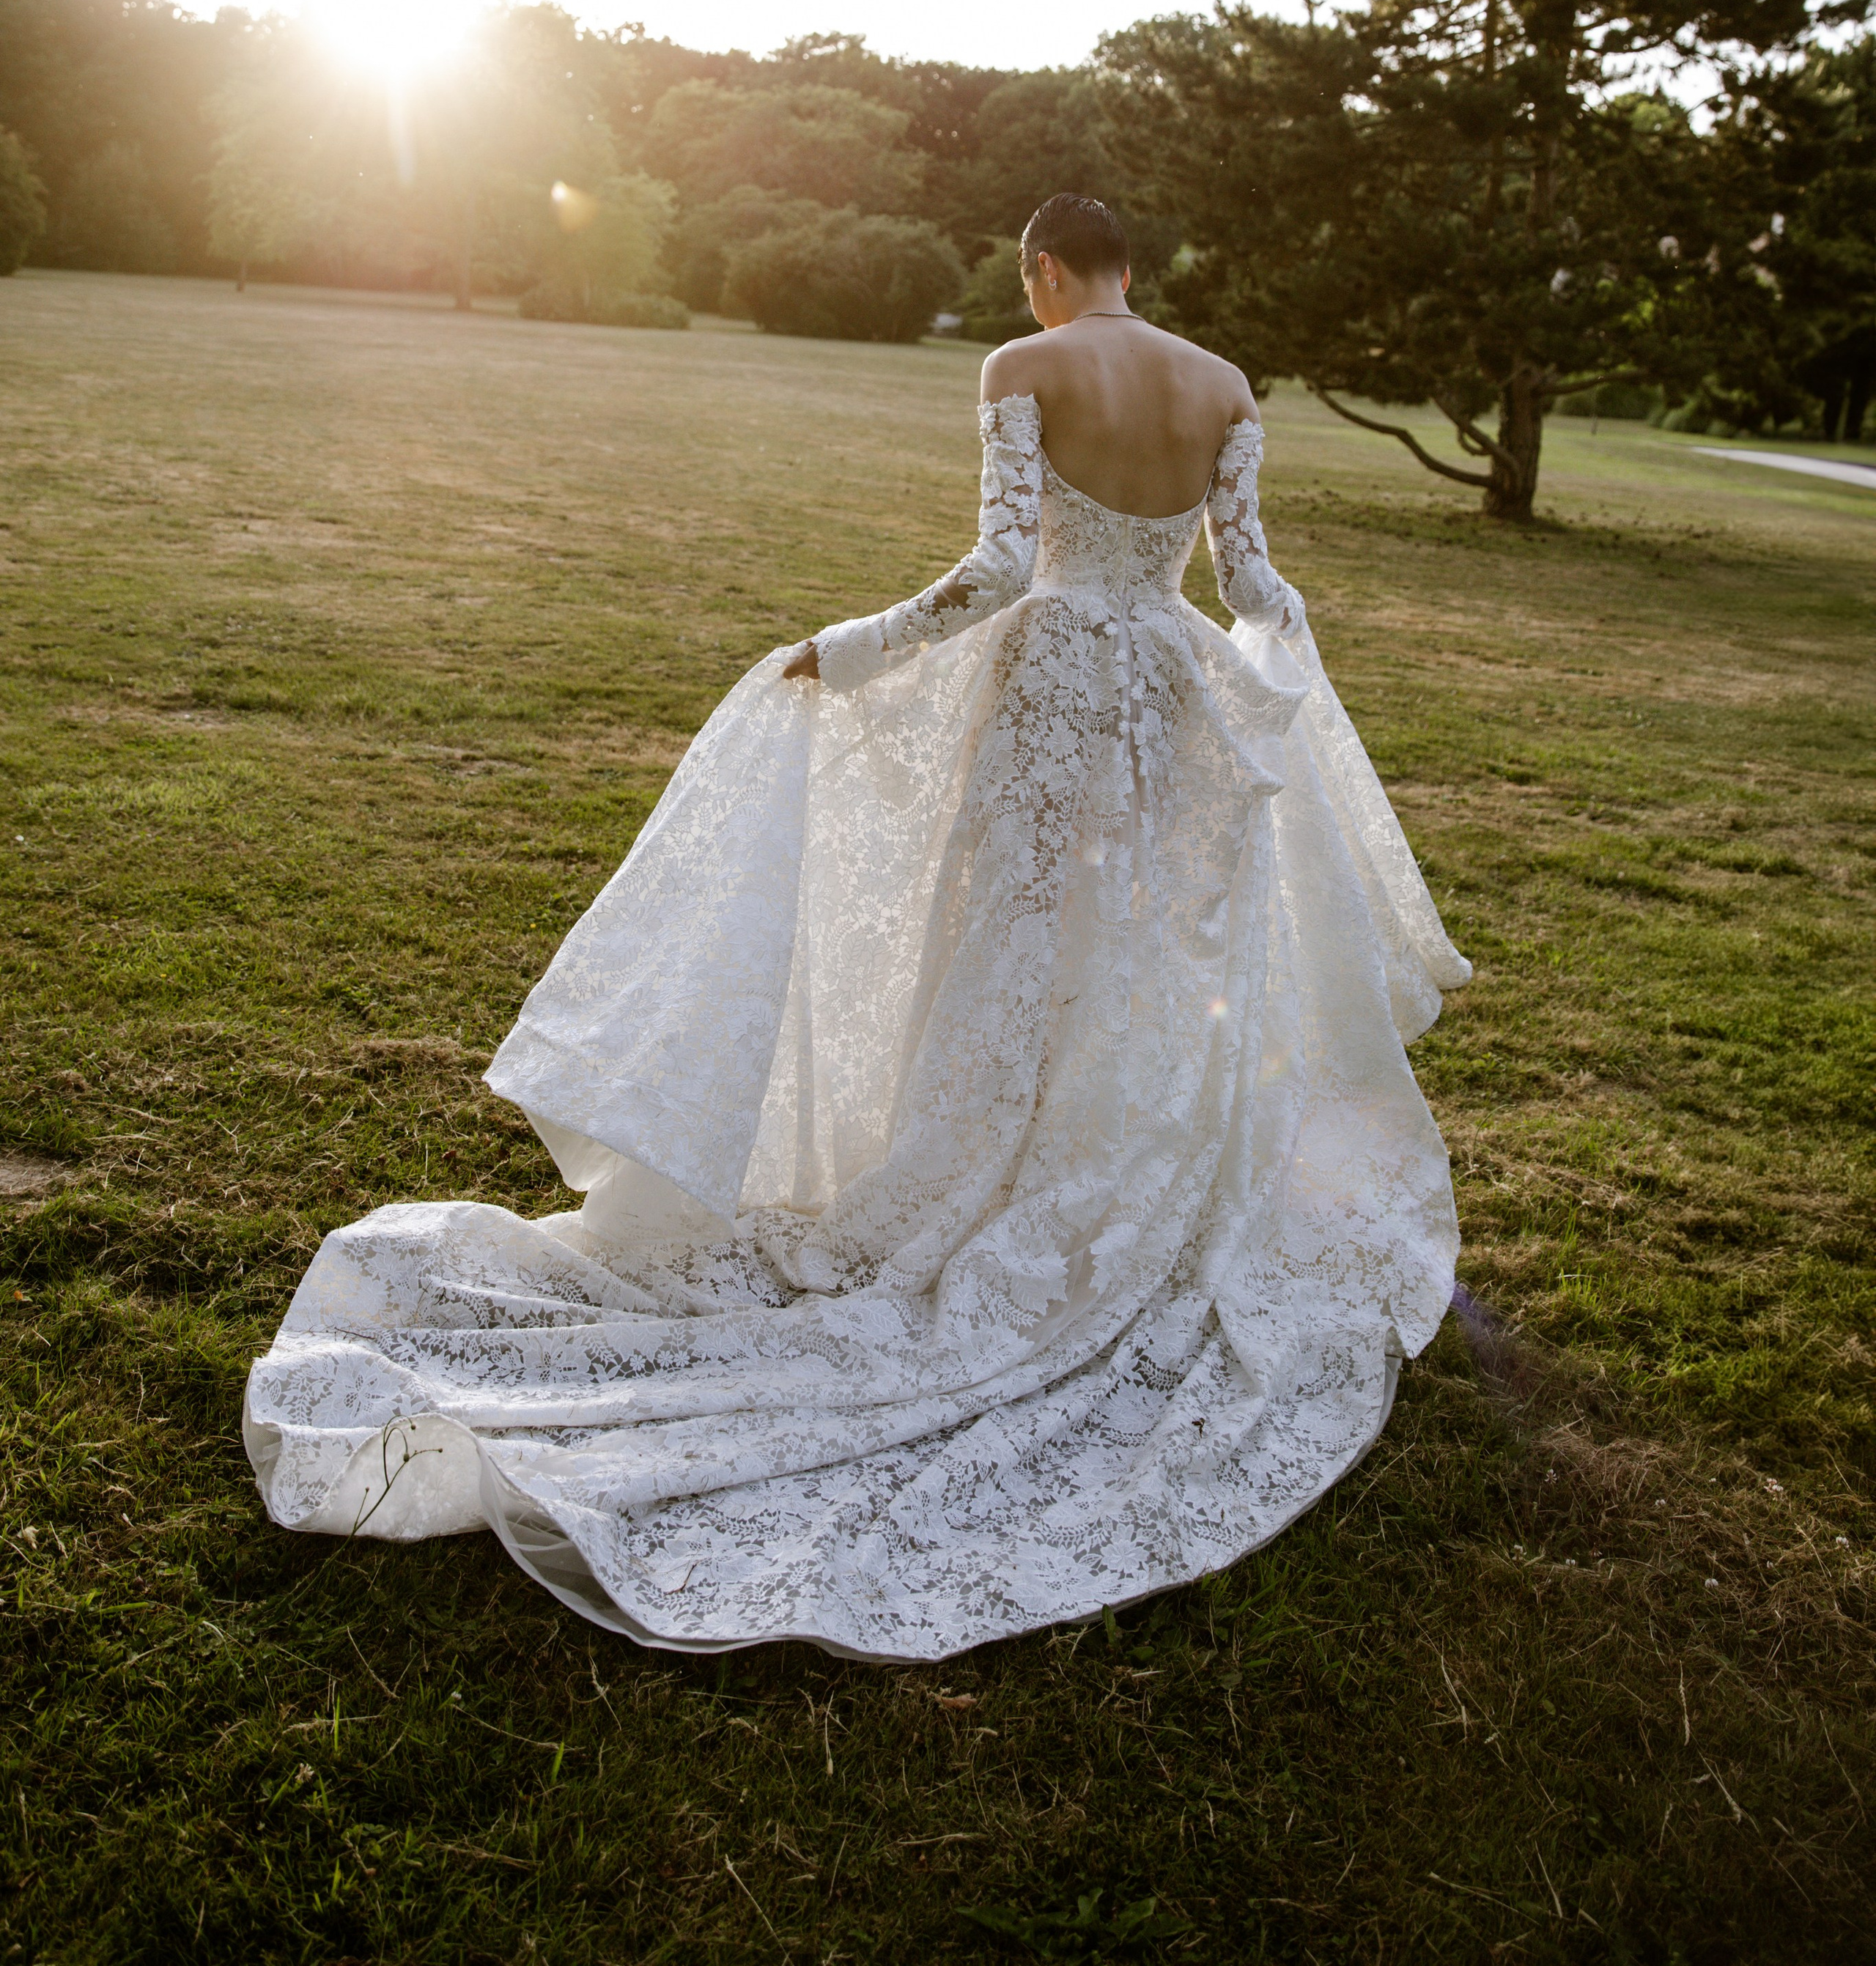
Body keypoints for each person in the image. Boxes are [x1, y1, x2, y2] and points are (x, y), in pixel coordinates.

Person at [245, 193, 1468, 1663]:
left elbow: (997, 574)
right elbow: (1255, 584)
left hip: (1051, 698)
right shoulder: (1220, 388)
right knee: (1142, 968)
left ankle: (982, 1174)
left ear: (1040, 271)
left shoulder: (1020, 369)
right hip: (1176, 700)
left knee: (1004, 955)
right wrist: (1266, 692)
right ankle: (1105, 1179)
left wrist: (850, 649)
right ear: (1138, 264)